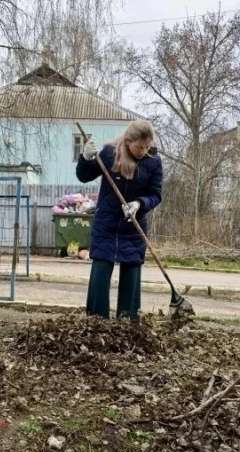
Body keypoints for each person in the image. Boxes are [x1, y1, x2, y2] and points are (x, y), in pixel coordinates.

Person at [76, 120, 162, 319]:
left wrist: (139, 204)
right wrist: (85, 157)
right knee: (100, 270)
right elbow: (83, 176)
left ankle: (127, 323)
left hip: (133, 228)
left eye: (147, 146)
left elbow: (156, 195)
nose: (143, 151)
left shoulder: (153, 161)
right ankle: (96, 322)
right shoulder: (109, 153)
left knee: (131, 273)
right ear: (128, 140)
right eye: (140, 147)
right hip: (106, 225)